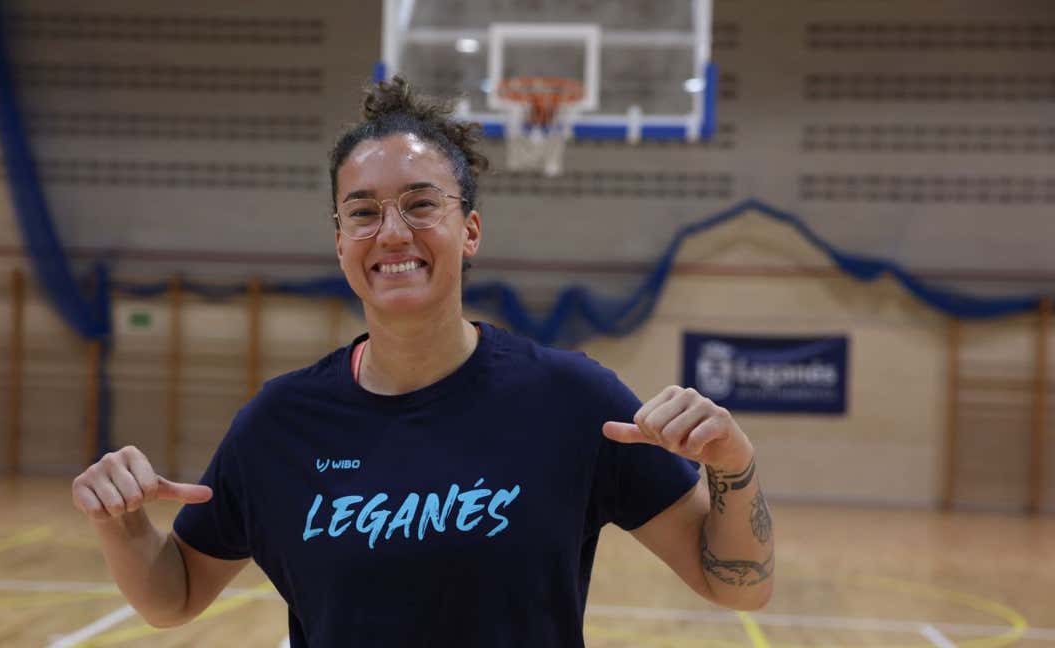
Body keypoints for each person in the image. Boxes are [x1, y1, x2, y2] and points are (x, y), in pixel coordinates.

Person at [71, 76, 774, 647]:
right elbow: (176, 597)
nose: (393, 232)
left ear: (468, 230)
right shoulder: (279, 424)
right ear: (340, 238)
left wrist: (733, 462)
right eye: (364, 212)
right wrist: (123, 523)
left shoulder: (572, 400)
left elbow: (737, 584)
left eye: (419, 204)